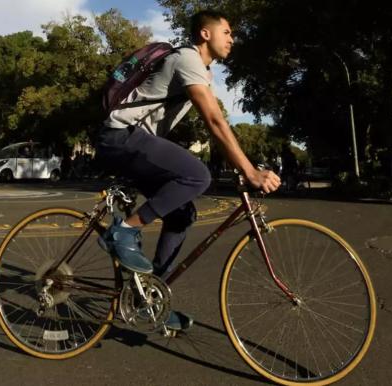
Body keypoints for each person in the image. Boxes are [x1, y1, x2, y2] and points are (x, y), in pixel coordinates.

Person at [95, 10, 280, 332]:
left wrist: (240, 163)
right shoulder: (188, 59)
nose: (232, 39)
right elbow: (215, 121)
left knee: (181, 216)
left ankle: (149, 300)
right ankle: (123, 230)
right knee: (197, 176)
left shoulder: (202, 72)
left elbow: (215, 127)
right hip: (120, 137)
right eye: (227, 32)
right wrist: (249, 171)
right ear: (206, 34)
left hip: (136, 142)